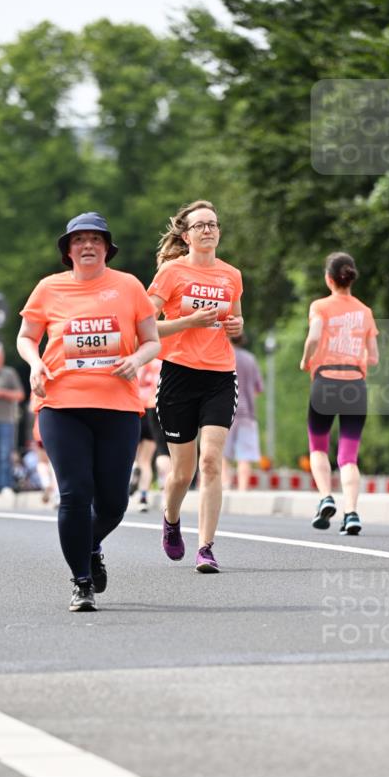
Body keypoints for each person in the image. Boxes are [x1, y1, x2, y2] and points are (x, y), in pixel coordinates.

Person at [17, 211, 159, 612]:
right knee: (75, 494)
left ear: (106, 248)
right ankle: (81, 582)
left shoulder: (128, 286)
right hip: (62, 404)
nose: (88, 246)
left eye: (96, 240)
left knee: (113, 504)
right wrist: (35, 363)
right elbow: (27, 337)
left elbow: (152, 341)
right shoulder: (49, 288)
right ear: (69, 250)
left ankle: (91, 543)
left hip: (118, 405)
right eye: (79, 240)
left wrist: (137, 359)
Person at [148, 199, 243, 573]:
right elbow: (146, 326)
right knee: (182, 472)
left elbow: (235, 322)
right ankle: (171, 518)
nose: (208, 230)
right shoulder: (171, 273)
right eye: (200, 225)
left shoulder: (231, 275)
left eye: (213, 224)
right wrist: (188, 322)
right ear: (186, 235)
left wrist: (236, 327)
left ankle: (206, 548)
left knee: (211, 461)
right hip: (178, 376)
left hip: (220, 376)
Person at [300, 252, 379, 535]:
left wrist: (305, 359)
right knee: (348, 456)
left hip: (325, 381)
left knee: (319, 447)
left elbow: (313, 336)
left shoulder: (320, 306)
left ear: (328, 279)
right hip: (355, 385)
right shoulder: (365, 312)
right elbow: (374, 357)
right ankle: (352, 513)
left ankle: (325, 497)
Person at [222, 334, 263, 490]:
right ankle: (242, 488)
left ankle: (225, 483)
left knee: (222, 452)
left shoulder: (224, 355)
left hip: (225, 410)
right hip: (247, 413)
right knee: (245, 454)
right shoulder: (250, 359)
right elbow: (258, 388)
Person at [0, 343, 25, 495]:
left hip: (6, 420)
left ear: (1, 359)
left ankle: (6, 484)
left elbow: (20, 395)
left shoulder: (9, 373)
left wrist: (1, 393)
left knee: (4, 454)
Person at [131, 357, 163, 512]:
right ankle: (143, 497)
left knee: (132, 455)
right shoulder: (160, 362)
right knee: (147, 459)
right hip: (153, 408)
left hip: (136, 407)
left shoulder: (139, 359)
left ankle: (134, 468)